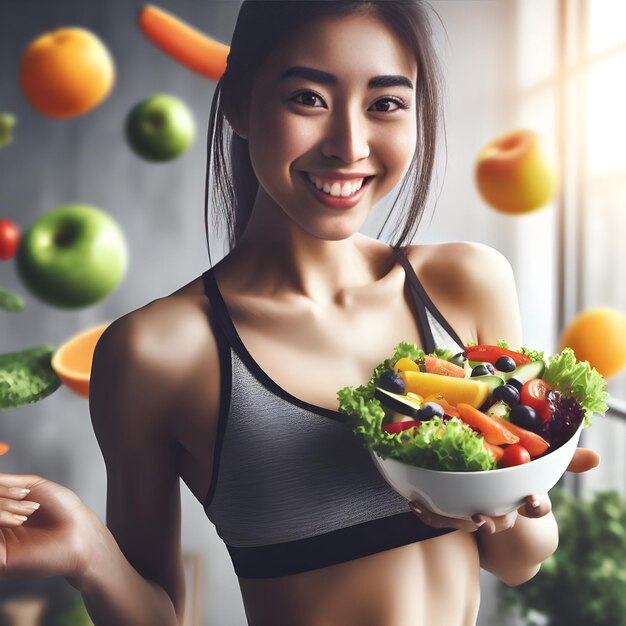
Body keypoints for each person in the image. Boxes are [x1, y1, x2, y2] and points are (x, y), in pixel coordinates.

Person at [0, 2, 600, 625]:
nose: (349, 145)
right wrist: (89, 553)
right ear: (238, 103)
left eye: (385, 103)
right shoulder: (158, 352)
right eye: (309, 98)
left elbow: (517, 560)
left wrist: (520, 498)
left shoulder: (465, 283)